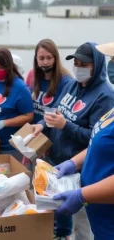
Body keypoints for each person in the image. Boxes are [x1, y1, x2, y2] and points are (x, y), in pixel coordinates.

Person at [33, 42, 114, 240]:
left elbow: (88, 136)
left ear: (96, 66)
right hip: (75, 178)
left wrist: (82, 195)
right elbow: (98, 139)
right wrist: (72, 162)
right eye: (75, 63)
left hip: (100, 207)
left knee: (81, 229)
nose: (77, 68)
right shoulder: (71, 85)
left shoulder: (105, 96)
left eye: (83, 64)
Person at [29, 39, 72, 123]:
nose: (45, 62)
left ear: (56, 58)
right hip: (33, 131)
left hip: (51, 132)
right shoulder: (35, 78)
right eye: (41, 58)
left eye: (49, 58)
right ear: (36, 59)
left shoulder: (67, 83)